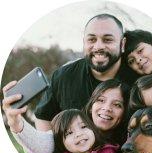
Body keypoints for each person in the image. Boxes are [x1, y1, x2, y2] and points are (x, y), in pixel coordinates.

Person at [2, 13, 135, 141]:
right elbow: (44, 116)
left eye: (107, 40)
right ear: (84, 42)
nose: (98, 46)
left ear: (122, 44)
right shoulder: (64, 76)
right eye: (92, 39)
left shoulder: (138, 79)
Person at [2, 79, 129, 153]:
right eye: (101, 100)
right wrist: (15, 121)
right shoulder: (75, 126)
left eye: (117, 105)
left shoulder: (125, 143)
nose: (107, 108)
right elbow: (42, 143)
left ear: (124, 112)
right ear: (91, 106)